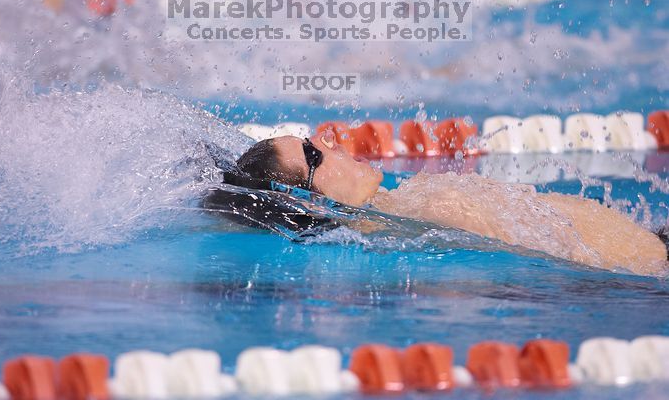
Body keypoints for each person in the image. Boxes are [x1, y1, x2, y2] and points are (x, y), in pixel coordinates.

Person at [221, 129, 669, 276]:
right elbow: (565, 261)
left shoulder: (406, 206)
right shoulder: (434, 214)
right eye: (313, 152)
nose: (328, 140)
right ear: (311, 201)